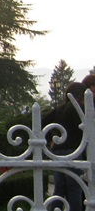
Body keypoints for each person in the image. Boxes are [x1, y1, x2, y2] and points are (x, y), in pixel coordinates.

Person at [43, 82, 87, 211]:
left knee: (59, 187)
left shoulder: (59, 108)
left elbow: (43, 122)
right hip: (73, 150)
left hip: (57, 150)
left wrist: (50, 139)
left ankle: (55, 208)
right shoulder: (79, 108)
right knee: (74, 188)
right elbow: (82, 129)